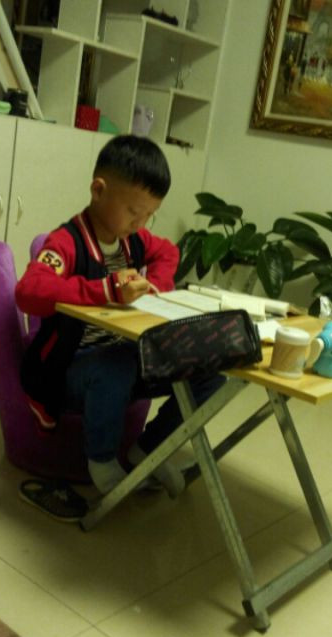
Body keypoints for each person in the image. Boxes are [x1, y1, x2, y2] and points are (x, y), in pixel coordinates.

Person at [15, 135, 223, 501]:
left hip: (127, 358)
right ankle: (102, 460)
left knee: (213, 372)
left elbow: (168, 252)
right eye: (133, 211)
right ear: (98, 190)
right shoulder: (67, 242)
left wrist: (155, 289)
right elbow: (29, 290)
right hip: (73, 369)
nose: (140, 223)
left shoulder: (133, 239)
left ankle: (149, 448)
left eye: (149, 215)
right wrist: (106, 290)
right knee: (115, 366)